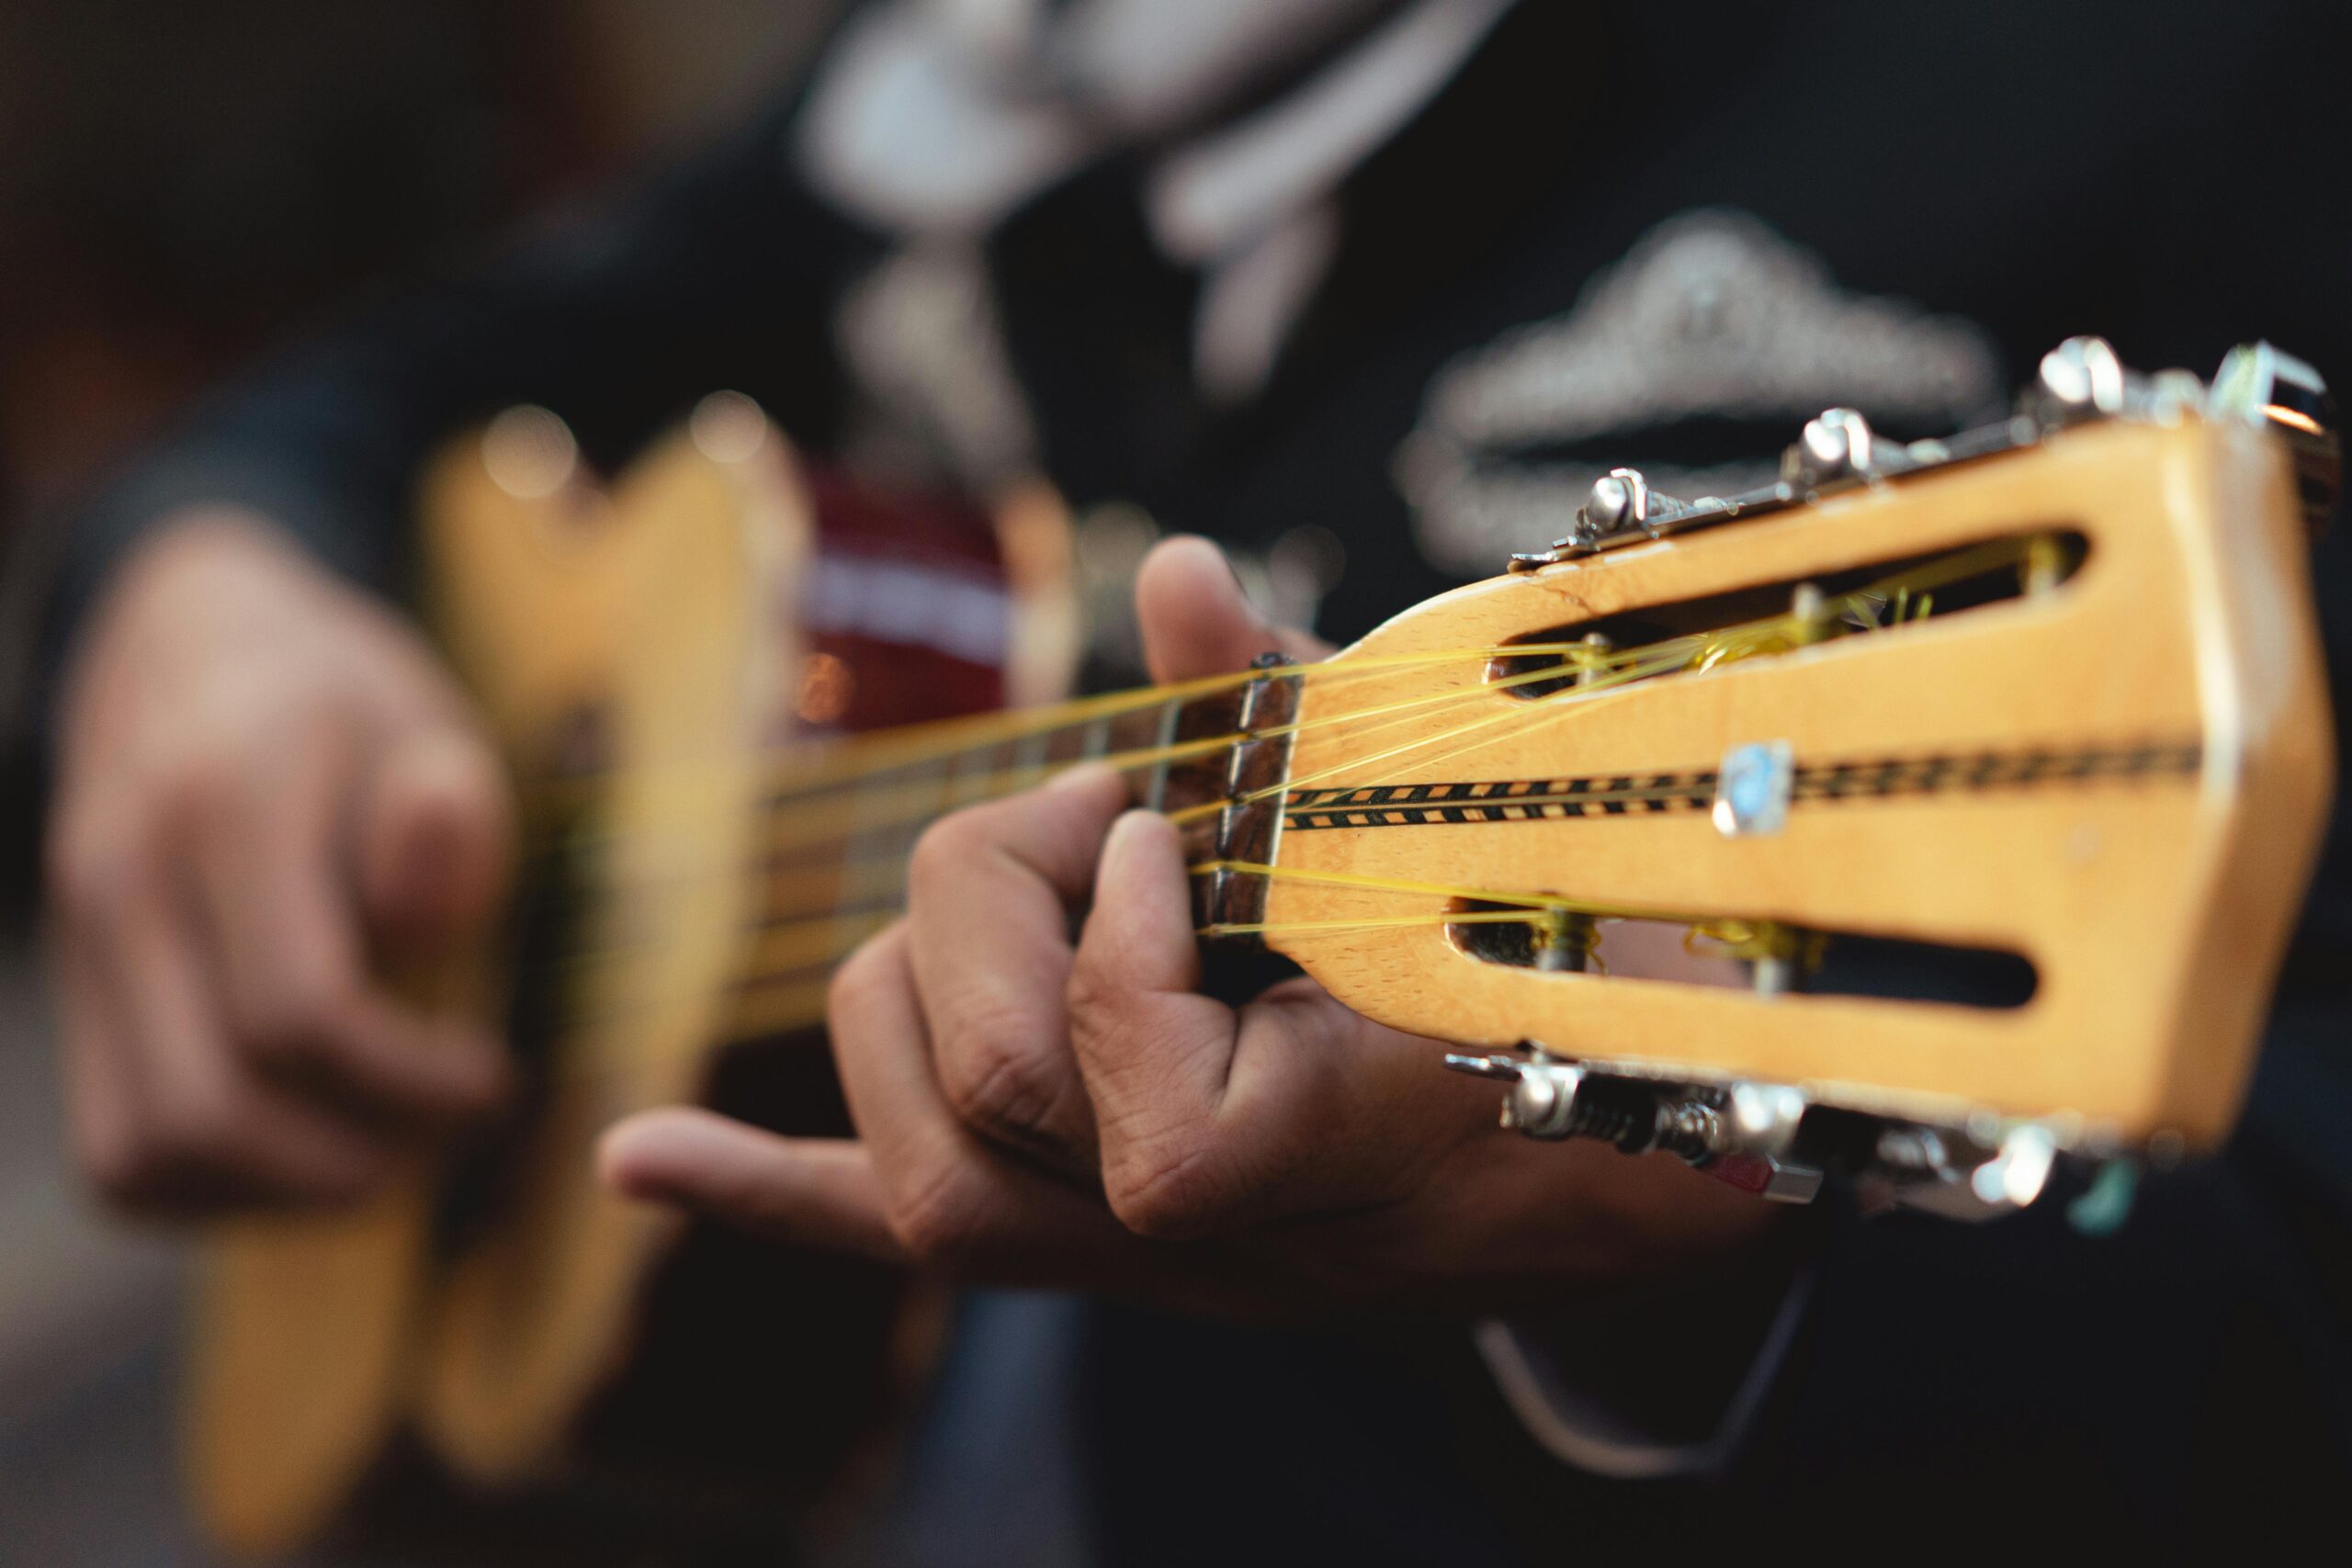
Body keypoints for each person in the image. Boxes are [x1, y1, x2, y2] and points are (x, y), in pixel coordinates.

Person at [38, 0, 2352, 1555]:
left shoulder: (2186, 83)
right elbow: (424, 379)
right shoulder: (988, 77)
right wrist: (202, 588)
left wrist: (1708, 1255)